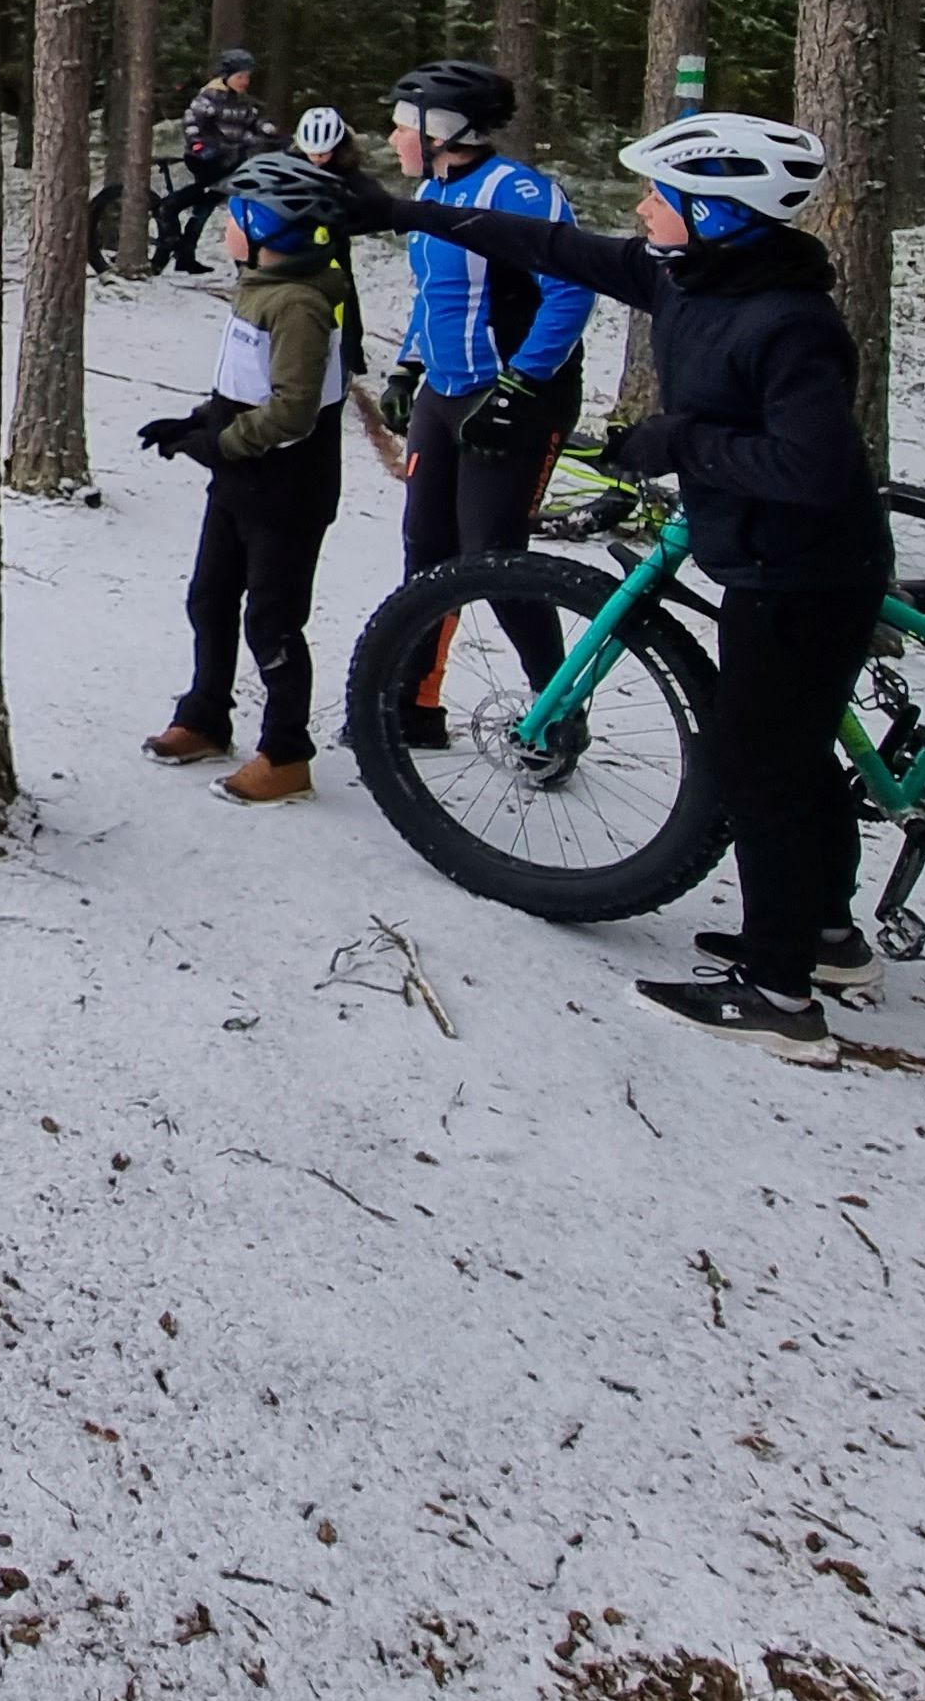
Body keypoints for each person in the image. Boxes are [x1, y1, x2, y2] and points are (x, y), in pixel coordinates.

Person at [341, 113, 891, 1060]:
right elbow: (549, 244)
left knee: (759, 766)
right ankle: (824, 936)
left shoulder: (788, 321)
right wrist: (403, 210)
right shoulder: (683, 274)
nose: (640, 209)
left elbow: (814, 466)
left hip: (803, 572)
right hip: (763, 554)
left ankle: (779, 995)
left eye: (661, 197)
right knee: (789, 760)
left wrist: (677, 442)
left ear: (717, 215)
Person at [374, 60, 593, 741]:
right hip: (444, 395)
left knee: (496, 561)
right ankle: (414, 704)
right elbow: (435, 294)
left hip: (516, 397)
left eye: (402, 124)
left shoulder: (520, 193)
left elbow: (571, 291)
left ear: (442, 130)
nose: (391, 138)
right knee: (426, 551)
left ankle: (557, 712)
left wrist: (519, 386)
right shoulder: (431, 191)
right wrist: (408, 367)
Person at [134, 152, 350, 805]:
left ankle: (286, 751)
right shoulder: (259, 287)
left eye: (236, 213)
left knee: (273, 621)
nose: (226, 222)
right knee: (208, 597)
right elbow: (243, 383)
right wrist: (194, 422)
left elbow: (293, 407)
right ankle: (205, 714)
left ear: (267, 226)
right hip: (239, 483)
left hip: (286, 491)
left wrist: (223, 444)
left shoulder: (300, 305)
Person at [152, 49, 282, 273]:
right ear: (227, 76)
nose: (245, 81)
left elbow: (252, 122)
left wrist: (267, 130)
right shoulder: (209, 97)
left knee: (204, 207)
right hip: (206, 161)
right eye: (240, 76)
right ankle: (167, 223)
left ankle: (185, 257)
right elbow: (192, 122)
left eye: (247, 77)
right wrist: (199, 146)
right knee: (193, 198)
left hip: (229, 161)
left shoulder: (242, 102)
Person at [292, 104, 372, 385]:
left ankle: (350, 354)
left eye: (323, 154)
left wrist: (344, 216)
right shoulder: (291, 163)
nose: (317, 159)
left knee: (344, 297)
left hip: (335, 246)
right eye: (311, 153)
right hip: (299, 246)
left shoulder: (349, 170)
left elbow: (374, 204)